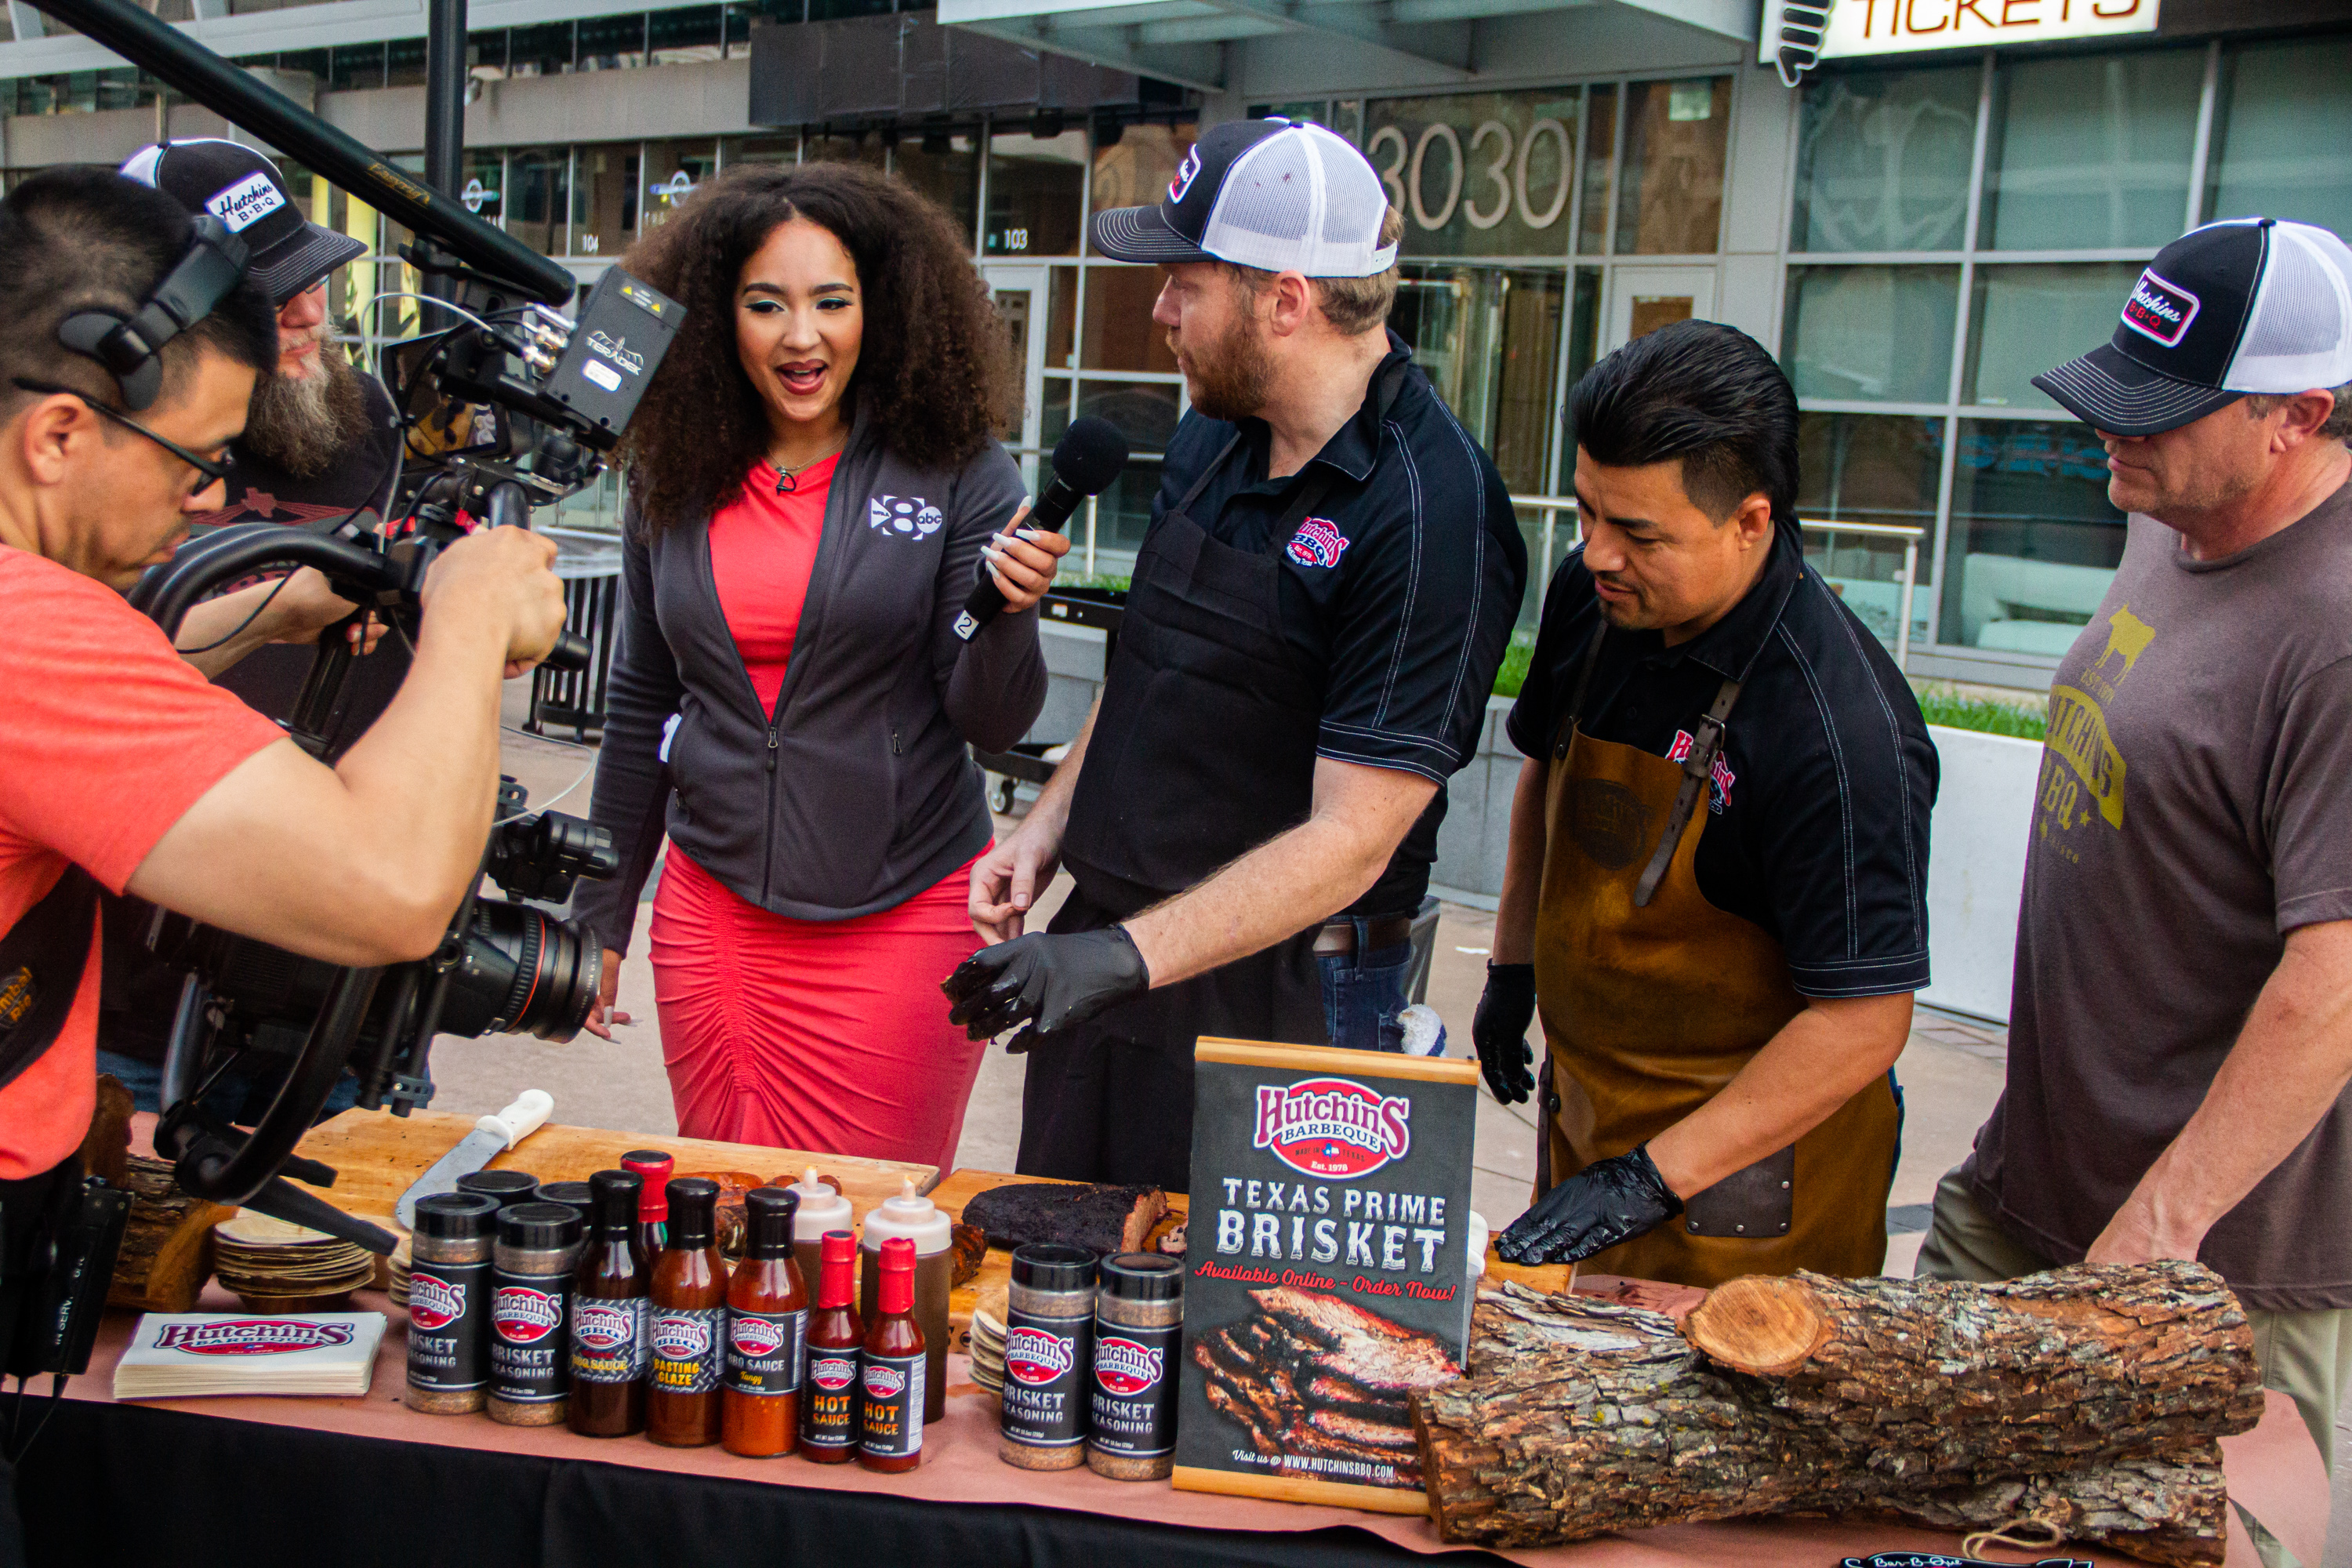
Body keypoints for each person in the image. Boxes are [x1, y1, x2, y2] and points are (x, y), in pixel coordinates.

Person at [0, 169, 564, 1414]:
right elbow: (390, 892)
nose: (206, 496)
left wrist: (292, 599)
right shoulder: (28, 631)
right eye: (192, 459)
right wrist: (468, 619)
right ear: (58, 435)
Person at [943, 118, 1526, 1189]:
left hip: (1288, 1004)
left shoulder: (1434, 515)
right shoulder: (1214, 428)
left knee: (1238, 1343)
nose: (1159, 311)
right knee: (1066, 1303)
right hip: (1114, 961)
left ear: (1286, 301)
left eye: (1182, 283)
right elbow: (1152, 664)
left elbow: (1355, 840)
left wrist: (1117, 958)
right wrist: (1047, 835)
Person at [1918, 217, 2352, 1477]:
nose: (2113, 430)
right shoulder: (2163, 517)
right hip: (2029, 1195)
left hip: (2216, 1272)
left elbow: (2332, 987)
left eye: (2159, 410)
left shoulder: (2332, 637)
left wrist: (2161, 1226)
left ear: (2298, 415)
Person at [572, 163, 1069, 1170]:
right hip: (711, 916)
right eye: (768, 305)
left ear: (878, 310)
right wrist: (598, 916)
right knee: (724, 1221)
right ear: (721, 320)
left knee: (869, 1240)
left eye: (831, 302)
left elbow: (993, 722)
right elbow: (639, 703)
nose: (803, 337)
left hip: (907, 915)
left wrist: (1009, 613)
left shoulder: (960, 470)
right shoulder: (669, 470)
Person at [1479, 320, 1937, 1288]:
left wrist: (1649, 1179)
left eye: (1639, 533)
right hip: (1591, 1120)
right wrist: (1511, 967)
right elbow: (1545, 776)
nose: (1597, 552)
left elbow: (1865, 1020)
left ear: (1752, 522)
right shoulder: (1596, 597)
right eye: (1588, 510)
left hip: (1754, 1203)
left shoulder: (1839, 729)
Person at [96, 139, 405, 1116]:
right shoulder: (98, 460)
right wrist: (284, 606)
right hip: (143, 1002)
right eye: (270, 293)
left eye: (309, 279)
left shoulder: (373, 418)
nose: (309, 312)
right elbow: (81, 663)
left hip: (343, 994)